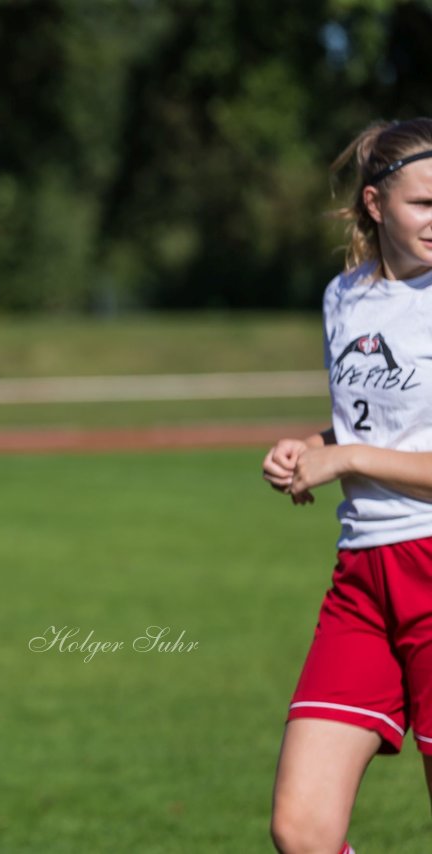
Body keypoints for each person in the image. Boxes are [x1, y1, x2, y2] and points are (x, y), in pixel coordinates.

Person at [265, 117, 432, 854]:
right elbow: (379, 429)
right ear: (374, 204)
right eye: (423, 203)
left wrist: (349, 458)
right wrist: (312, 450)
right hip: (363, 579)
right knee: (302, 833)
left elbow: (368, 451)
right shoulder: (345, 297)